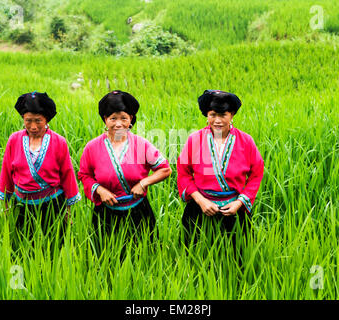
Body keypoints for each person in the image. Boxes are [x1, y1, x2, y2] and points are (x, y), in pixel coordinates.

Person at [177, 89, 264, 254]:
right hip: (200, 207)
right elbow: (183, 173)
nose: (217, 120)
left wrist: (239, 203)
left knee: (238, 257)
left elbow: (256, 173)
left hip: (233, 208)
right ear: (207, 115)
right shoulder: (194, 140)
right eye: (212, 115)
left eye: (223, 115)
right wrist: (201, 201)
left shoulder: (246, 141)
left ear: (231, 115)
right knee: (195, 255)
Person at [78, 90, 172, 242]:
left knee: (143, 255)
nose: (118, 123)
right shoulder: (92, 147)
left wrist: (143, 183)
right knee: (106, 257)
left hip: (138, 212)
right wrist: (100, 190)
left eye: (124, 118)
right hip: (105, 214)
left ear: (131, 119)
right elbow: (84, 175)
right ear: (105, 119)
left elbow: (165, 169)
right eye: (113, 118)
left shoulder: (141, 144)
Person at [0, 91, 81, 244]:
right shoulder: (14, 140)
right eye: (28, 121)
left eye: (38, 121)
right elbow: (6, 172)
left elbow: (67, 174)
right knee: (24, 247)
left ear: (46, 119)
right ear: (23, 118)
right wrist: (6, 205)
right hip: (22, 205)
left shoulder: (59, 142)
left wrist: (68, 210)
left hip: (52, 204)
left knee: (55, 246)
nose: (33, 126)